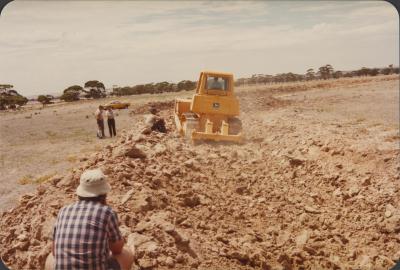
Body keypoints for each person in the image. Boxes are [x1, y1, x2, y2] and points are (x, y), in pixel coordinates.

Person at [45, 169, 134, 270]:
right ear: (104, 195)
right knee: (127, 254)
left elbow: (54, 251)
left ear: (80, 193)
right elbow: (117, 250)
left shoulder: (63, 210)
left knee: (50, 259)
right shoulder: (107, 212)